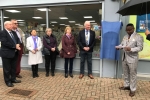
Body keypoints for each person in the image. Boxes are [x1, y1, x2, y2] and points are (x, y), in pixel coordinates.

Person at [115, 23, 143, 97]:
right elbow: (122, 44)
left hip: (133, 58)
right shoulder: (125, 36)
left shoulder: (138, 36)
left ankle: (132, 89)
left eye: (129, 30)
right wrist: (119, 47)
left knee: (133, 74)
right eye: (127, 30)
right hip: (124, 58)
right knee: (126, 73)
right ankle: (126, 85)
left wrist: (131, 49)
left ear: (133, 29)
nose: (128, 31)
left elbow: (140, 48)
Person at [0, 21, 21, 87]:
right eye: (10, 24)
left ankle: (13, 79)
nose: (12, 25)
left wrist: (18, 44)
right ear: (5, 26)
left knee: (13, 67)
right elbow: (4, 42)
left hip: (14, 53)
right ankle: (7, 81)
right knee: (7, 69)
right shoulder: (2, 33)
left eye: (12, 24)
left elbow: (18, 39)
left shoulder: (14, 32)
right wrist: (15, 46)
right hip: (6, 53)